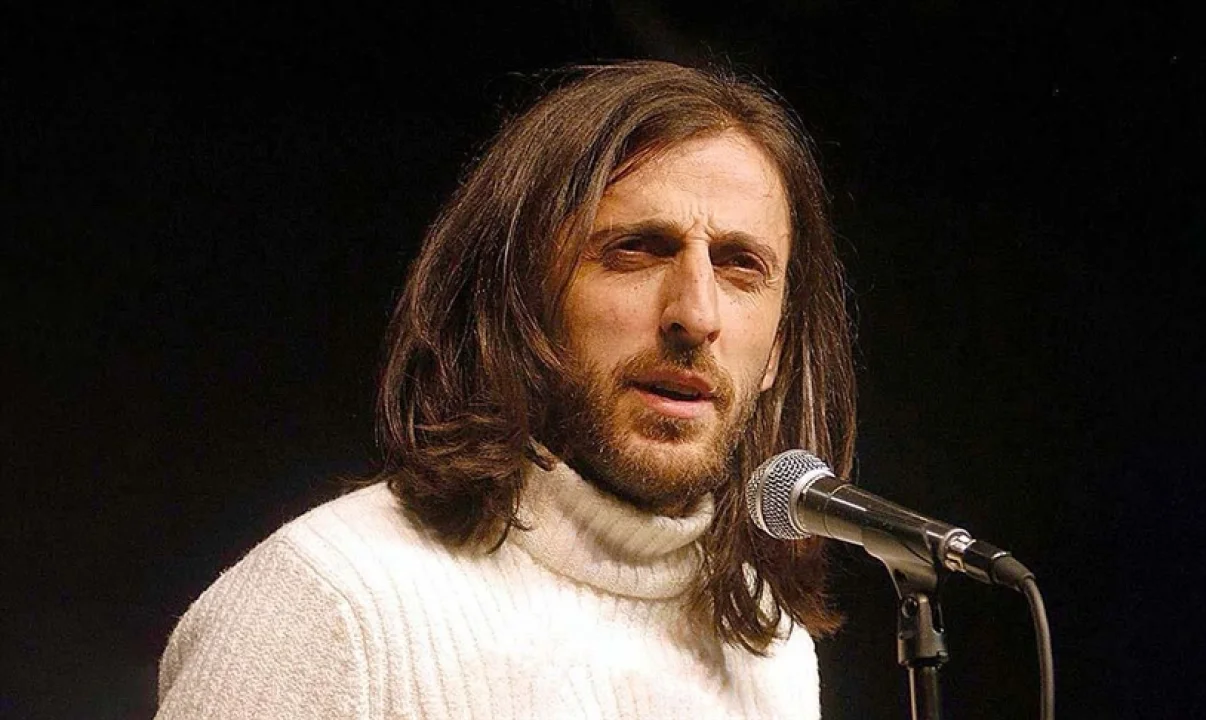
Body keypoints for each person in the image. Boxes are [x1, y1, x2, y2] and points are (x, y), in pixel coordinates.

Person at [156, 60, 857, 719]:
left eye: (740, 266)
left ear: (779, 346)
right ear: (518, 300)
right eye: (637, 250)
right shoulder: (330, 604)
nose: (696, 315)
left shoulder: (770, 648)